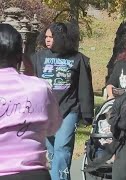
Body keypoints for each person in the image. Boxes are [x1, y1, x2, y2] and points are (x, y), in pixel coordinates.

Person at [31, 22, 94, 180]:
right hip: (44, 111)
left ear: (62, 37)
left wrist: (86, 113)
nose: (48, 40)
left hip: (68, 110)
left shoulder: (78, 59)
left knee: (62, 148)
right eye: (46, 37)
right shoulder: (38, 58)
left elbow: (84, 87)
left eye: (51, 37)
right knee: (50, 151)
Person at [0, 24, 62, 180]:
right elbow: (53, 127)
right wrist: (32, 75)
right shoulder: (39, 88)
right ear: (20, 57)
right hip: (34, 173)